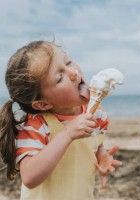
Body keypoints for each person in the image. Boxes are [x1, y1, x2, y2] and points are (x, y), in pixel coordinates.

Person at [0, 40, 122, 200]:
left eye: (68, 62)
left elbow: (94, 145)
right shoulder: (36, 125)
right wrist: (68, 134)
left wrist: (102, 156)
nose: (73, 73)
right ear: (43, 104)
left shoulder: (98, 115)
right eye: (59, 77)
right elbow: (29, 177)